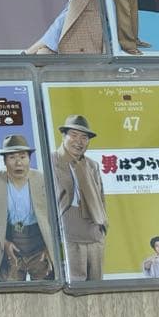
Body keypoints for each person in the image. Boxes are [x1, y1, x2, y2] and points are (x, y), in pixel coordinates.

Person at [0, 134, 56, 283]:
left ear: (29, 159)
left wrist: (51, 247)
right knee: (8, 292)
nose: (18, 162)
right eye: (12, 157)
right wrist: (3, 243)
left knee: (45, 290)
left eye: (23, 157)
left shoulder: (44, 179)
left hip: (39, 246)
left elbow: (57, 215)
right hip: (8, 245)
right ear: (4, 161)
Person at [50, 114, 107, 281]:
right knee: (73, 284)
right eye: (74, 135)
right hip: (67, 232)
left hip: (94, 233)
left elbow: (101, 197)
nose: (79, 141)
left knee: (96, 284)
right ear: (63, 136)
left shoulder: (92, 165)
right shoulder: (51, 160)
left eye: (84, 137)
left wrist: (103, 227)